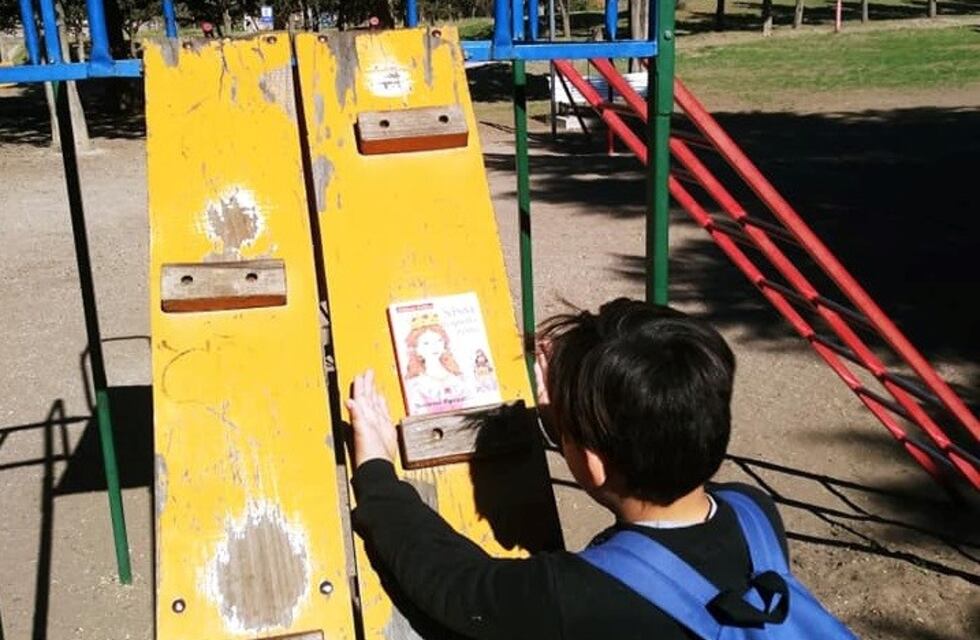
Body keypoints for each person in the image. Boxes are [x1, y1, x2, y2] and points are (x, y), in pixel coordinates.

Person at [345, 298, 844, 639]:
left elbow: (457, 585)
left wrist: (375, 469)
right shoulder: (755, 511)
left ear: (593, 460)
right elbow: (651, 449)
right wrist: (568, 425)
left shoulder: (576, 596)